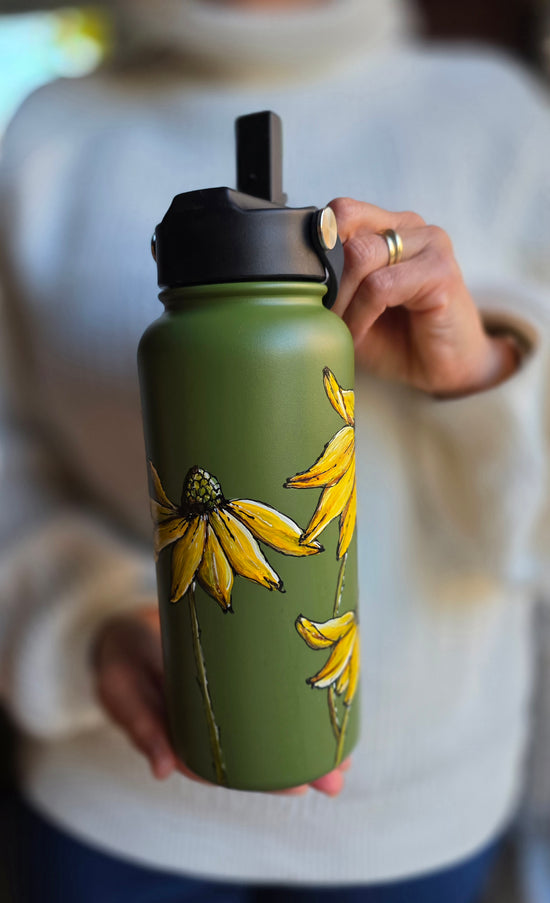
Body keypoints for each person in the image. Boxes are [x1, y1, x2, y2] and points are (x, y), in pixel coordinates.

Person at [1, 0, 550, 899]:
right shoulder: (49, 132)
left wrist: (485, 366)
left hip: (414, 815)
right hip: (113, 802)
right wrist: (82, 615)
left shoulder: (500, 115)